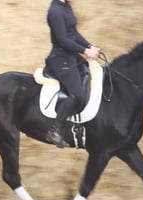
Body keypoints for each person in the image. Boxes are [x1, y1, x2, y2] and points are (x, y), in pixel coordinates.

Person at [45, 0, 101, 148]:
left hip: (71, 56)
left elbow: (74, 33)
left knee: (92, 74)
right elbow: (63, 40)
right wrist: (85, 51)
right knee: (77, 94)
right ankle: (55, 130)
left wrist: (89, 45)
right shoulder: (55, 11)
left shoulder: (66, 6)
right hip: (60, 58)